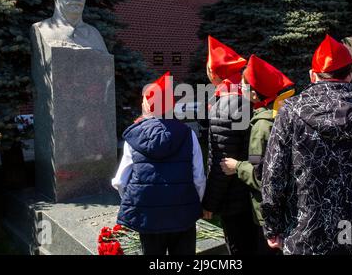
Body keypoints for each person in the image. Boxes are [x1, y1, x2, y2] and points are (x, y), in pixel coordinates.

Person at [261, 34, 352, 255]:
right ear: (350, 75)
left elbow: (273, 177)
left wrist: (272, 227)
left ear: (313, 76)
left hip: (303, 234)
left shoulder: (290, 112)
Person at [112, 72, 206, 255]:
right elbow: (199, 177)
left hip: (149, 217)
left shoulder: (133, 136)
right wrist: (194, 202)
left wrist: (136, 202)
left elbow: (120, 181)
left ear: (147, 105)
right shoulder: (188, 134)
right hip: (183, 214)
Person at [220, 54, 295, 255]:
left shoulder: (262, 125)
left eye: (244, 84)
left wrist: (236, 166)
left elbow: (261, 175)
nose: (240, 87)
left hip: (268, 214)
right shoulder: (284, 112)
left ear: (254, 94)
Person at [202, 36, 256, 255]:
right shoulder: (251, 94)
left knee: (238, 248)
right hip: (255, 191)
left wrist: (210, 203)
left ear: (214, 72)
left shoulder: (224, 104)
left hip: (235, 199)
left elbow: (221, 162)